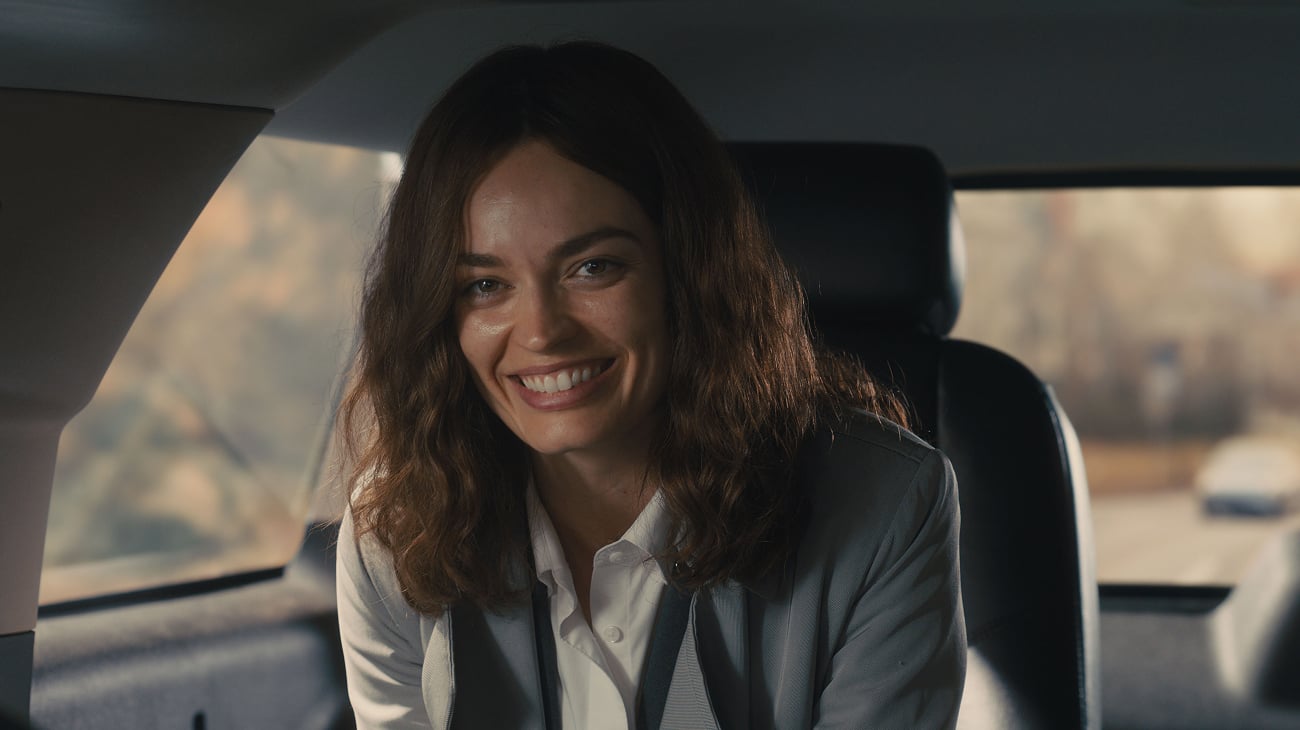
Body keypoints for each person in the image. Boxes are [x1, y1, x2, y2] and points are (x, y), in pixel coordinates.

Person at [336, 41, 965, 729]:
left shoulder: (886, 511)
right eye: (485, 286)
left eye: (593, 268)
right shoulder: (397, 534)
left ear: (688, 272)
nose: (542, 331)